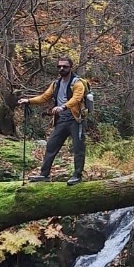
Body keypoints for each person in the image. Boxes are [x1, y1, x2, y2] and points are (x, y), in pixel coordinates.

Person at [19, 55, 88, 185]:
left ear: (70, 67)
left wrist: (63, 107)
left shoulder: (77, 83)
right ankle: (44, 174)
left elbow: (76, 98)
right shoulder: (56, 84)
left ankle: (77, 175)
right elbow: (44, 97)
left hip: (76, 120)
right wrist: (29, 101)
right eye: (59, 66)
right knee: (51, 145)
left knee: (78, 148)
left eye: (65, 66)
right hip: (61, 120)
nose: (61, 69)